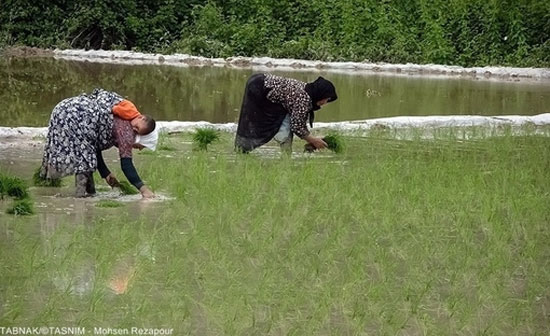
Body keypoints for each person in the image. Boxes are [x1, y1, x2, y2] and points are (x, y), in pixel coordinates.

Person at [39, 88, 156, 198]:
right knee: (85, 160)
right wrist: (144, 190)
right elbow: (126, 165)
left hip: (65, 108)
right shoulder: (127, 132)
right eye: (141, 146)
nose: (138, 149)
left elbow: (93, 146)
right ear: (140, 138)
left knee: (87, 155)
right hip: (77, 114)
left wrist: (106, 173)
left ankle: (79, 193)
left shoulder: (124, 120)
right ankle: (80, 200)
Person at [234, 73, 337, 153]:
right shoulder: (303, 99)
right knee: (254, 122)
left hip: (260, 82)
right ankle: (242, 149)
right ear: (320, 94)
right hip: (259, 86)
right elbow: (297, 127)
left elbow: (297, 123)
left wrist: (311, 140)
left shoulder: (307, 93)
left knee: (284, 121)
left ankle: (286, 155)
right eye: (326, 99)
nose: (325, 103)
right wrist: (313, 141)